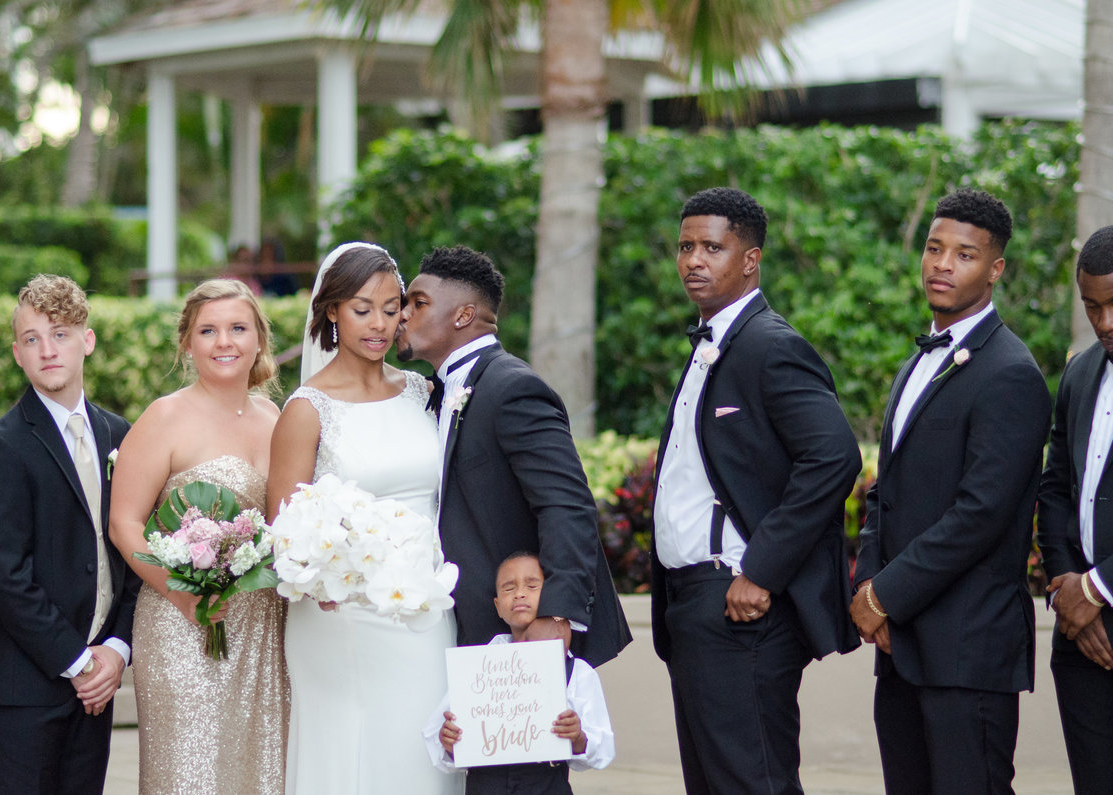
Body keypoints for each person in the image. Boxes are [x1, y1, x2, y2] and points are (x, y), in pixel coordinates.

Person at [650, 188, 862, 795]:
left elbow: (834, 457)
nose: (694, 259)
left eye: (712, 247)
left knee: (753, 783)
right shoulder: (712, 342)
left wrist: (761, 570)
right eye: (686, 245)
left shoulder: (771, 346)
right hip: (696, 606)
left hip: (742, 609)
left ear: (750, 259)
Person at [851, 188, 1051, 794]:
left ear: (995, 270)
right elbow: (887, 489)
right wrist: (866, 577)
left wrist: (885, 594)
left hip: (968, 652)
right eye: (934, 248)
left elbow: (980, 514)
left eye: (963, 255)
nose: (942, 264)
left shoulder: (1011, 373)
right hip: (903, 646)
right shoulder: (919, 361)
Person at [267, 242, 460, 795]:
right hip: (343, 616)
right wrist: (326, 576)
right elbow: (285, 534)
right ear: (331, 311)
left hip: (425, 607)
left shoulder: (423, 391)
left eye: (392, 307)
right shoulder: (307, 410)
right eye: (361, 308)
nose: (379, 324)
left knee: (423, 758)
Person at [396, 245, 630, 667]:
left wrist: (555, 613)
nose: (402, 315)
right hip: (456, 627)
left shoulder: (512, 389)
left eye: (418, 303)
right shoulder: (435, 393)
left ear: (463, 315)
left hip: (519, 630)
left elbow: (568, 504)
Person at [110, 279, 289, 794]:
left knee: (259, 773)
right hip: (182, 625)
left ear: (259, 340)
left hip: (262, 628)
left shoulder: (275, 417)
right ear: (187, 343)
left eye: (238, 328)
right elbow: (124, 523)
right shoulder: (165, 416)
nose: (224, 341)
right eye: (208, 330)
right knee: (191, 774)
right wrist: (180, 591)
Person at [0, 274, 137, 794]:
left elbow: (131, 555)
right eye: (32, 339)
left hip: (98, 683)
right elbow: (4, 574)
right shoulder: (2, 444)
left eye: (60, 334)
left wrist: (116, 649)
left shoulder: (120, 434)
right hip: (26, 683)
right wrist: (79, 661)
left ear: (86, 340)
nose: (47, 350)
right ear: (18, 354)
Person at [424, 551, 615, 793]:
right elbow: (435, 735)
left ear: (550, 596)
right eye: (508, 588)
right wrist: (448, 741)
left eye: (532, 585)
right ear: (498, 607)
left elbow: (603, 748)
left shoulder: (577, 671)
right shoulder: (476, 667)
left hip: (546, 784)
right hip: (485, 785)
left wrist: (578, 738)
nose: (520, 593)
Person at [1038, 224, 1113, 794]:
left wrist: (1097, 590)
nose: (1104, 322)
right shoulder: (1081, 372)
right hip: (1080, 632)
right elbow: (1057, 483)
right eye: (1092, 307)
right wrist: (1069, 587)